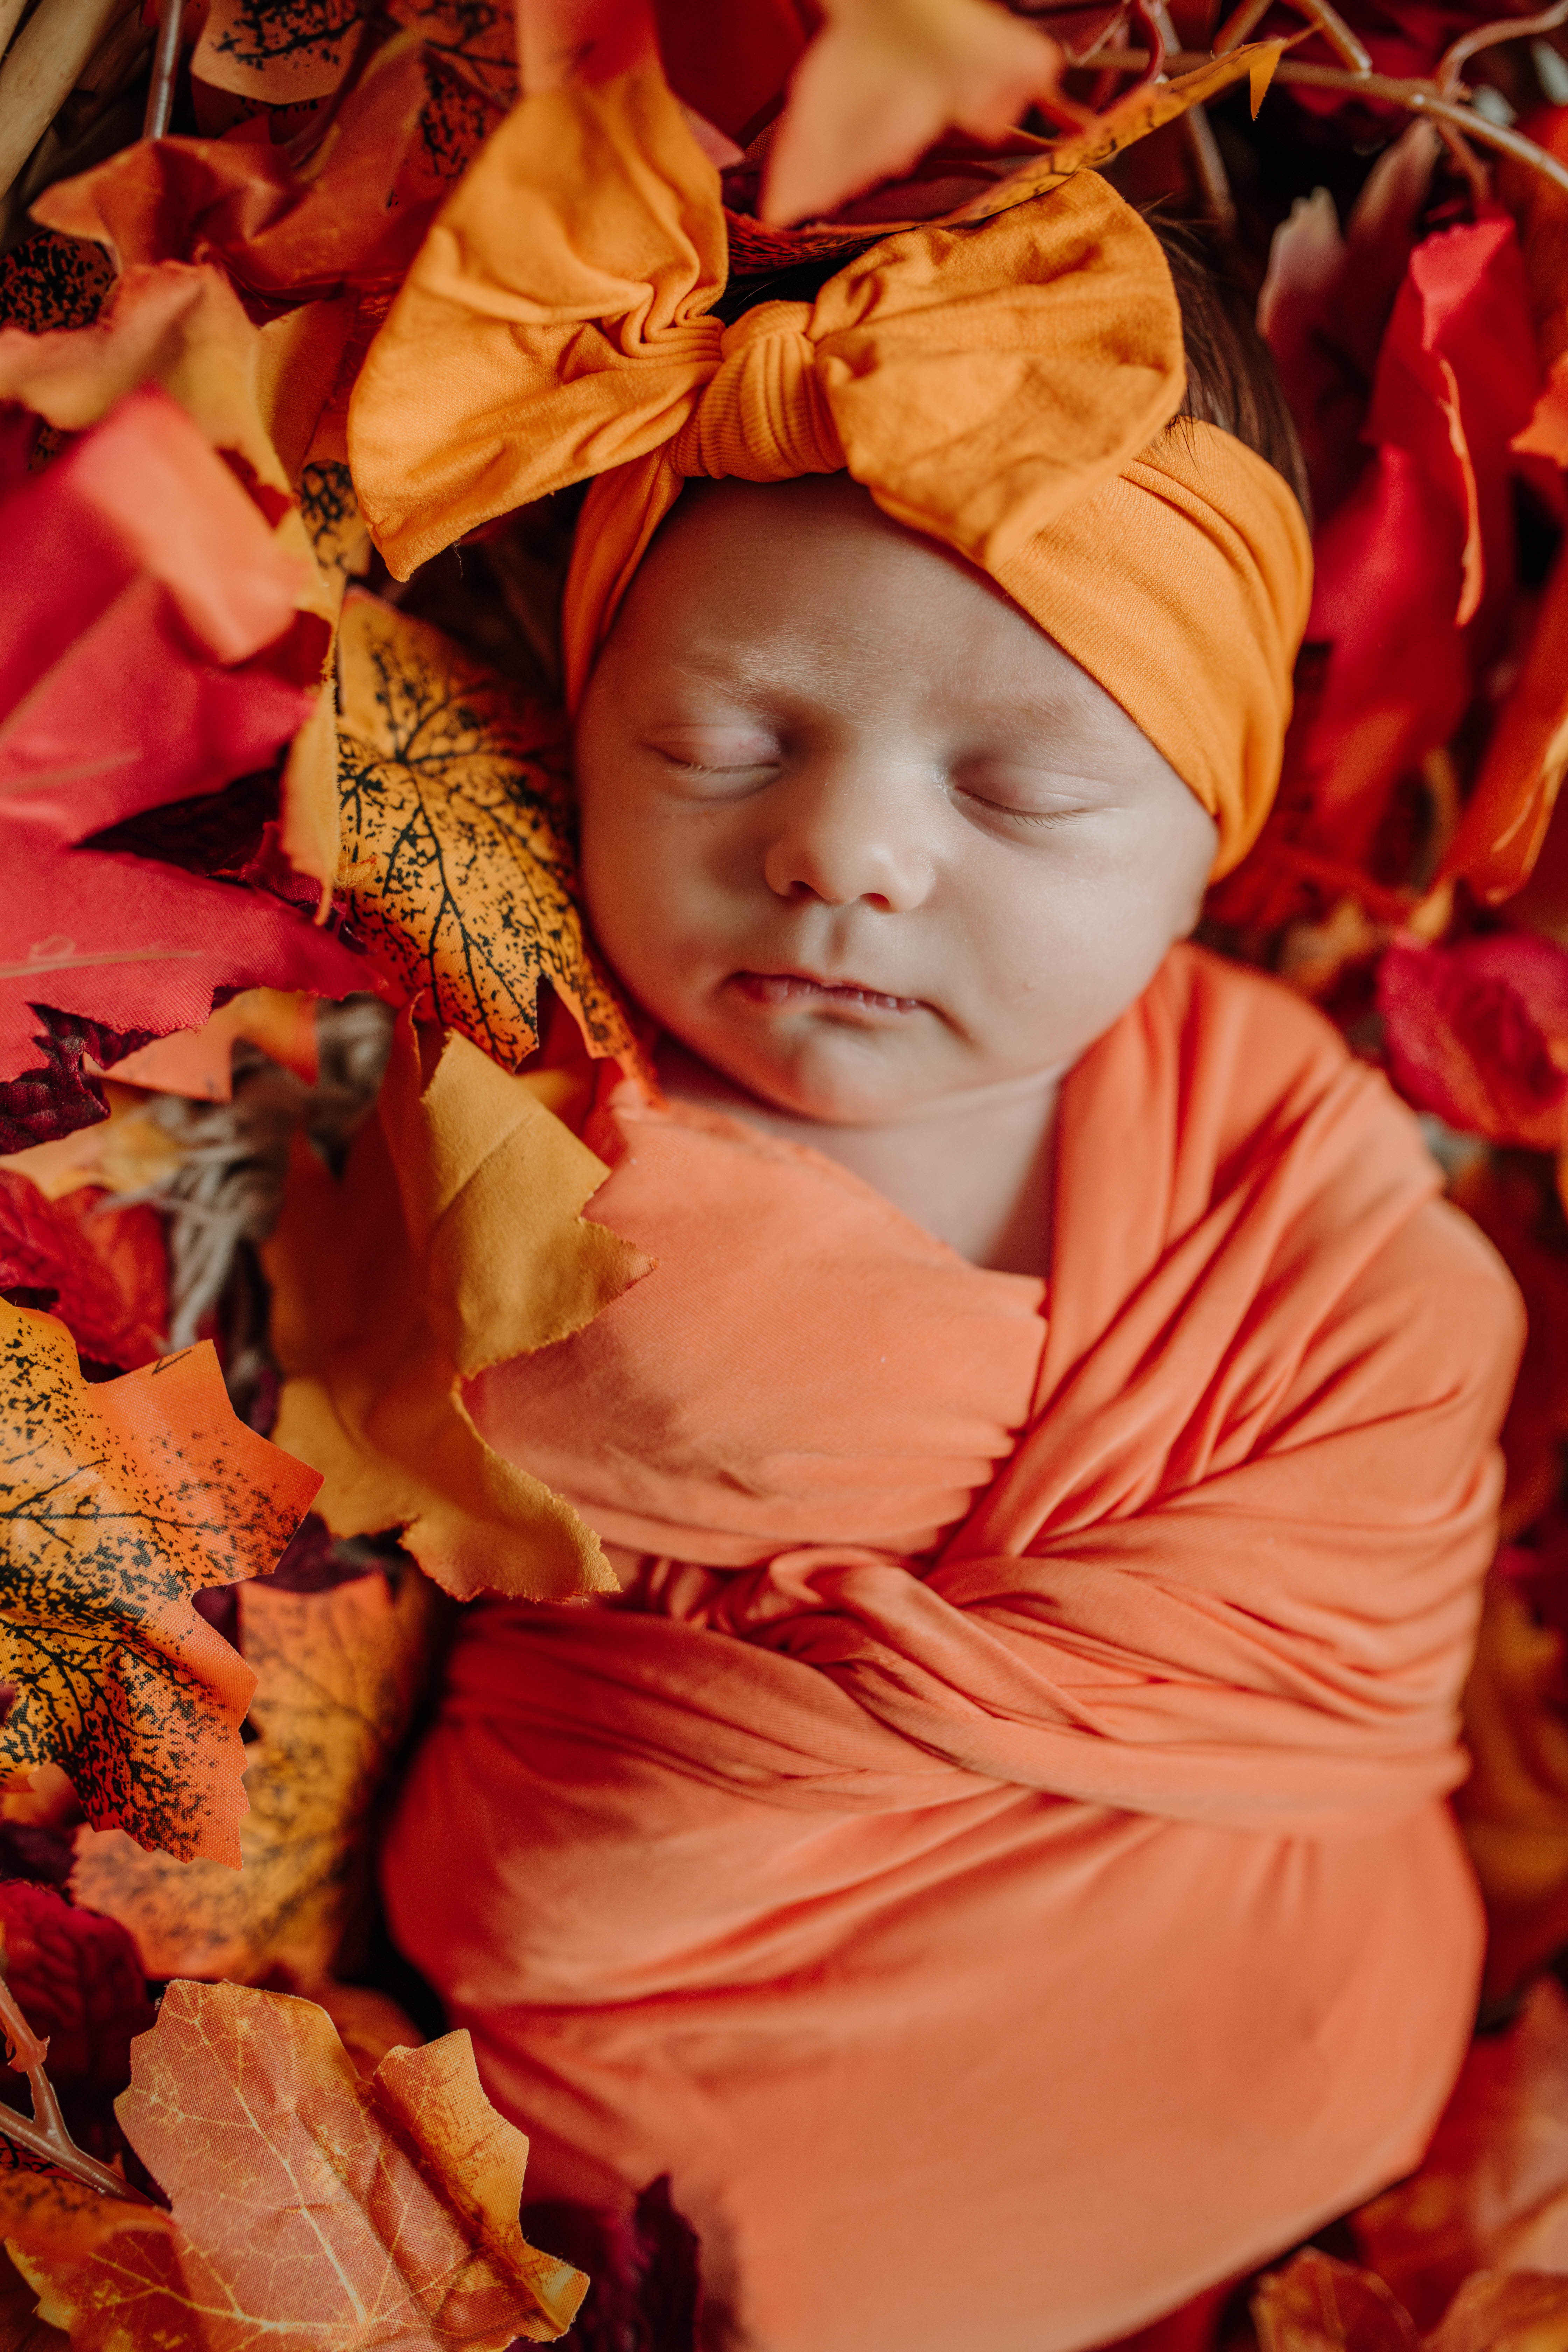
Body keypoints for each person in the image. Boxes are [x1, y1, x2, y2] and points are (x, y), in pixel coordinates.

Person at [345, 44, 1525, 2352]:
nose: (849, 853)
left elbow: (1402, 1449)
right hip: (712, 2123)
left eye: (1019, 789)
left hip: (1306, 2027)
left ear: (1211, 837)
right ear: (575, 735)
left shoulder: (1284, 1140)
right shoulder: (530, 1135)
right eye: (722, 744)